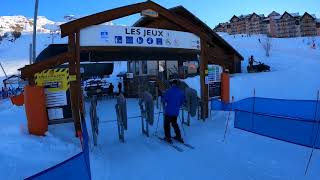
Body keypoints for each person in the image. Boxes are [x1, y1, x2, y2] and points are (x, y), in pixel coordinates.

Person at [162, 79, 185, 143]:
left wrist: (163, 96)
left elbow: (164, 100)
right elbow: (182, 101)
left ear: (172, 84)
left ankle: (168, 137)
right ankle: (178, 136)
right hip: (175, 111)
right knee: (174, 123)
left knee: (166, 124)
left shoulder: (168, 91)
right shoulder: (181, 92)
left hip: (168, 111)